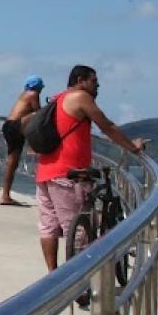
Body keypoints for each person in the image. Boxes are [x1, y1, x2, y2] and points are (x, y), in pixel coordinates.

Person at [35, 65, 148, 272]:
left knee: (48, 228)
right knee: (78, 231)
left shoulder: (58, 98)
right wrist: (132, 147)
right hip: (69, 175)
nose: (98, 86)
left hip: (45, 171)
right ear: (80, 80)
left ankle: (52, 276)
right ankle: (76, 281)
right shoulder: (80, 97)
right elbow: (107, 126)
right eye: (94, 81)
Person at [0, 75, 44, 206]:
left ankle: (5, 195)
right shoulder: (33, 94)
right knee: (37, 117)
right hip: (15, 126)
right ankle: (33, 145)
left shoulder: (24, 94)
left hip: (10, 126)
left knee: (12, 163)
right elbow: (39, 113)